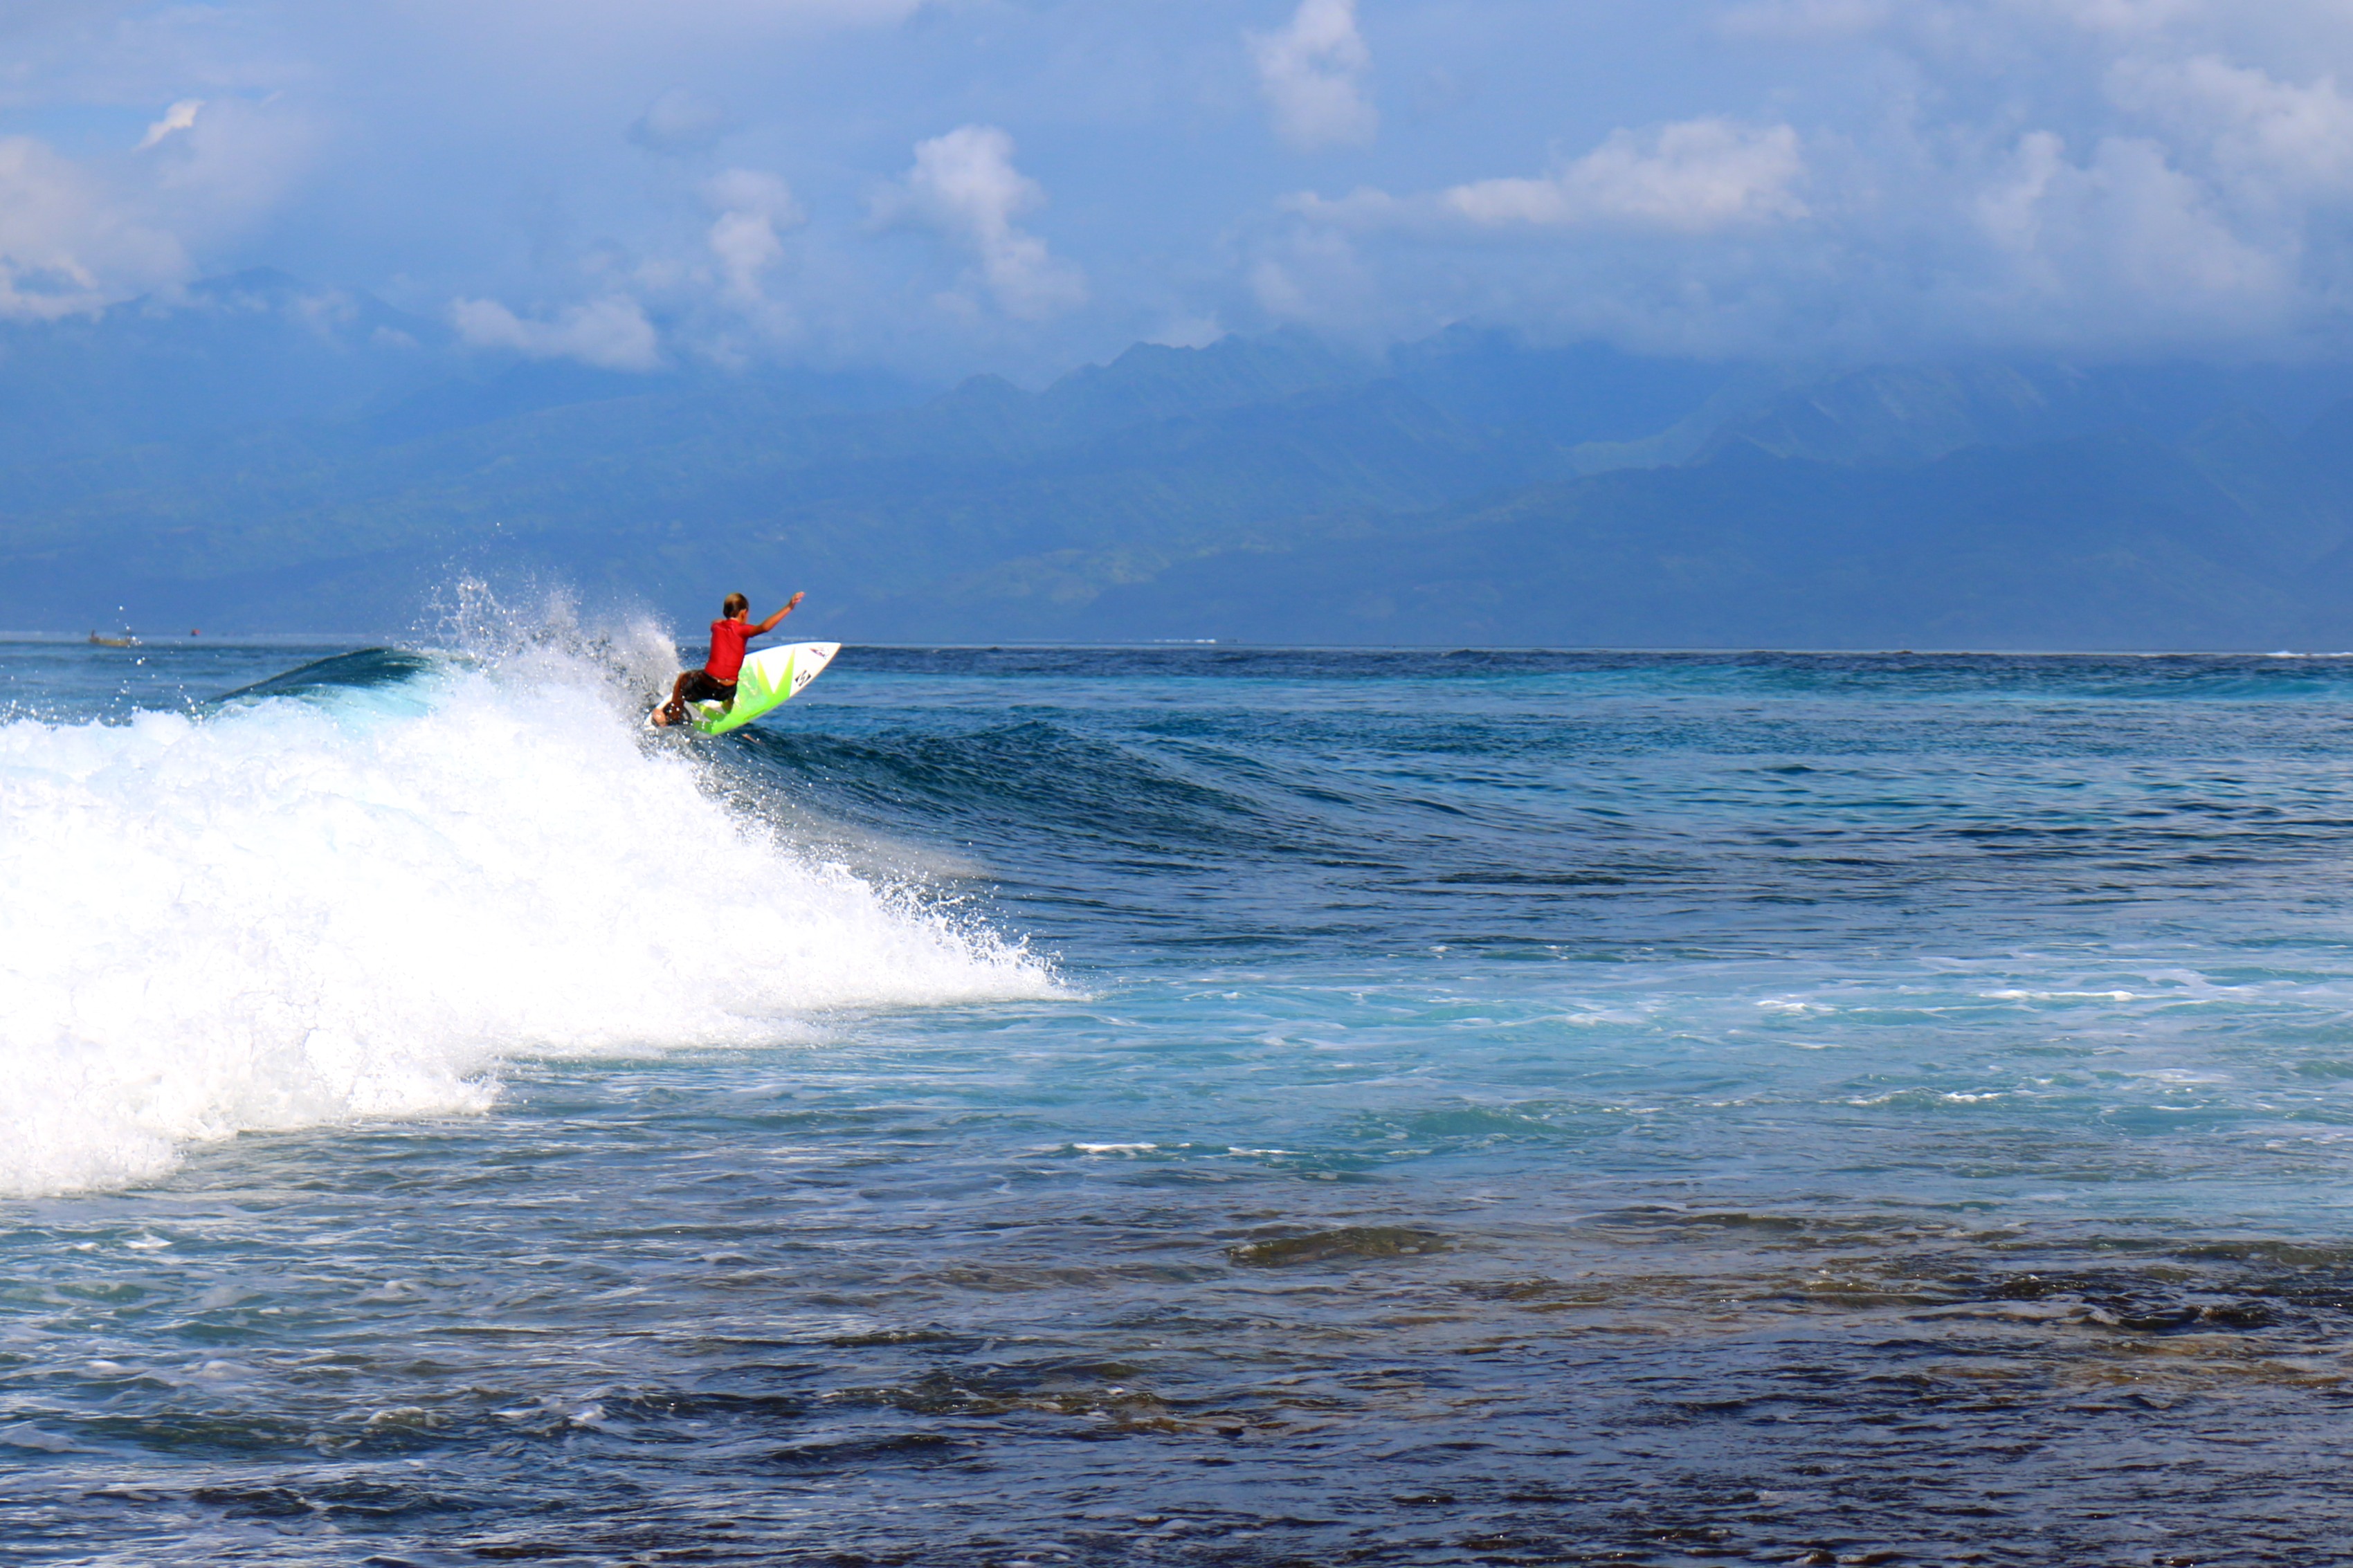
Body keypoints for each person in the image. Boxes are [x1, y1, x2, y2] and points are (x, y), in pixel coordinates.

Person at [653, 590, 805, 727]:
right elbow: (764, 627)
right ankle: (729, 704)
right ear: (744, 613)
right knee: (732, 681)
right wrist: (789, 607)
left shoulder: (716, 627)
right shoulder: (742, 630)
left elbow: (715, 622)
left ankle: (674, 716)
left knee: (682, 679)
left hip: (707, 685)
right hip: (727, 690)